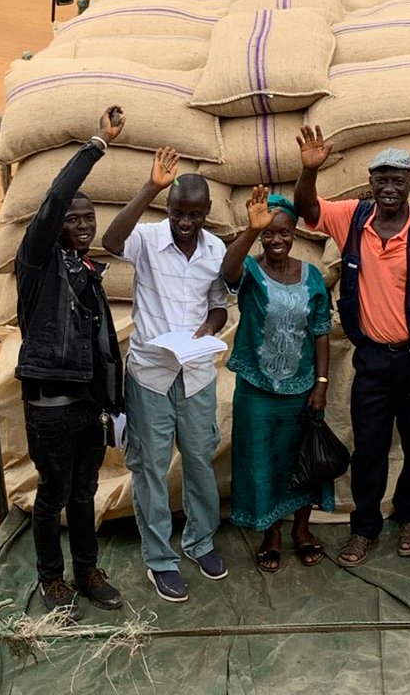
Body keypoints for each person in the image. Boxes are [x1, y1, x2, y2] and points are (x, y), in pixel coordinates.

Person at [293, 127, 410, 568]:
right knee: (368, 446)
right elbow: (306, 209)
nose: (389, 188)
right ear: (370, 182)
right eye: (381, 179)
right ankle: (365, 527)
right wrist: (309, 171)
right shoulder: (352, 218)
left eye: (398, 180)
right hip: (371, 360)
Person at [14, 106, 126, 621]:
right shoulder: (38, 264)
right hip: (51, 409)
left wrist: (114, 404)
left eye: (88, 219)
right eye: (72, 220)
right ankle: (51, 579)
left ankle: (87, 572)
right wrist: (96, 146)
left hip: (86, 406)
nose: (82, 225)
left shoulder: (88, 271)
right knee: (52, 494)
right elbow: (54, 198)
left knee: (84, 493)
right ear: (55, 226)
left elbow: (101, 344)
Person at [102, 151, 228, 604]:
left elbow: (218, 303)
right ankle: (160, 560)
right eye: (178, 213)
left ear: (207, 213)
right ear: (168, 210)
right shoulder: (149, 238)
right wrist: (151, 187)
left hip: (195, 372)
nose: (186, 223)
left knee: (198, 457)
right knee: (151, 467)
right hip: (151, 374)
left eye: (195, 215)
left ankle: (200, 541)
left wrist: (209, 329)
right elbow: (112, 241)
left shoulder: (216, 251)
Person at [222, 187, 334, 572]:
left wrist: (320, 383)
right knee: (260, 462)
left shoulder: (313, 276)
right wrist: (252, 230)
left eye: (283, 232)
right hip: (256, 389)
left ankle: (302, 531)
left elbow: (321, 330)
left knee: (299, 462)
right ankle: (270, 534)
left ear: (295, 233)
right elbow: (227, 272)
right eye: (270, 233)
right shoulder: (251, 271)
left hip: (301, 389)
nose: (276, 240)